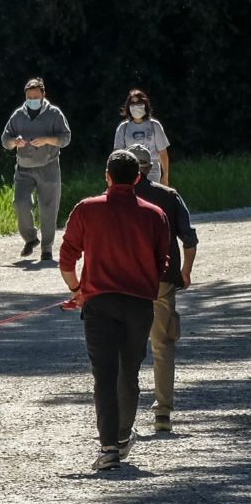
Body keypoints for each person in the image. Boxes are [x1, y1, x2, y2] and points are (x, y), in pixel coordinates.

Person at [59, 149, 169, 471]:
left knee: (104, 375)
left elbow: (67, 258)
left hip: (99, 304)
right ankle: (122, 437)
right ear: (137, 178)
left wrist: (76, 290)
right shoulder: (154, 215)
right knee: (129, 372)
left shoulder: (86, 209)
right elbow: (163, 264)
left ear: (107, 176)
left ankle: (108, 447)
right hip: (138, 305)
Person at [125, 143, 198, 433]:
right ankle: (163, 412)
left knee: (125, 347)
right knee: (162, 344)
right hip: (162, 279)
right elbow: (189, 239)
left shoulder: (115, 198)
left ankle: (121, 417)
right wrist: (186, 271)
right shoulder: (168, 196)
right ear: (150, 167)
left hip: (125, 281)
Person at [1, 76, 72, 261]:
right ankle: (31, 238)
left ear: (43, 94)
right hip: (24, 168)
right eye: (29, 97)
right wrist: (13, 142)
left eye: (35, 96)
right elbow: (5, 139)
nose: (32, 100)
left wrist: (47, 139)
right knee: (20, 203)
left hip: (48, 167)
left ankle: (47, 248)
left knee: (48, 208)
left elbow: (66, 138)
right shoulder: (18, 115)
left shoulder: (54, 114)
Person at [113, 89, 172, 186]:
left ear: (145, 105)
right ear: (128, 107)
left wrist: (165, 176)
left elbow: (163, 153)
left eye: (139, 103)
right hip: (130, 171)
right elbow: (117, 155)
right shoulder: (123, 128)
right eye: (133, 104)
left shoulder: (154, 126)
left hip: (152, 172)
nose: (136, 107)